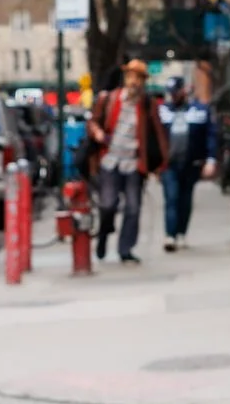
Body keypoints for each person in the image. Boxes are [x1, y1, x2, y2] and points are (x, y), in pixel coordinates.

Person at [89, 58, 166, 263]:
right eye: (131, 77)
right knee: (108, 204)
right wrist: (97, 133)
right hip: (110, 160)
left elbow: (158, 134)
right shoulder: (109, 99)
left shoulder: (147, 105)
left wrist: (160, 164)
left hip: (133, 163)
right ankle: (104, 235)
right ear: (125, 78)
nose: (135, 82)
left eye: (139, 78)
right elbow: (93, 122)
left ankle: (125, 249)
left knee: (133, 207)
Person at [158, 73, 217, 250]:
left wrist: (211, 159)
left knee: (185, 199)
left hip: (192, 161)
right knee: (172, 197)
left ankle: (181, 233)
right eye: (171, 93)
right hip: (169, 163)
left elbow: (210, 136)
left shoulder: (199, 110)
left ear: (184, 91)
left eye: (176, 92)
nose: (174, 96)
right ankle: (170, 235)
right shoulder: (162, 111)